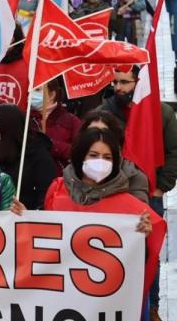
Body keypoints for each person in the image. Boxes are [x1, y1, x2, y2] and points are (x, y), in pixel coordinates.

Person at [42, 128, 163, 299]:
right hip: (64, 294)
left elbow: (139, 264)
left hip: (105, 300)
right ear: (81, 156)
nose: (100, 162)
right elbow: (44, 240)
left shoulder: (131, 207)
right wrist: (22, 220)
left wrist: (143, 238)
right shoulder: (57, 191)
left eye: (107, 158)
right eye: (93, 155)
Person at [98, 66, 177, 208]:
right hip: (112, 192)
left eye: (124, 82)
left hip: (150, 193)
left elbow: (173, 152)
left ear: (139, 83)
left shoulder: (163, 113)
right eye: (115, 83)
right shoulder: (103, 113)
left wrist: (160, 187)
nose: (118, 88)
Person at [0, 104, 54, 210]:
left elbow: (47, 195)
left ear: (8, 126)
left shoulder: (38, 156)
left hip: (24, 219)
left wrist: (30, 213)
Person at [80, 110, 149, 203]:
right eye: (92, 133)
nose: (98, 138)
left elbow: (138, 211)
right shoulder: (70, 174)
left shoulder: (133, 177)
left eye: (104, 133)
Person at [31, 78, 82, 174]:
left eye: (37, 90)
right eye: (30, 90)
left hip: (60, 180)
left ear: (52, 95)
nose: (31, 94)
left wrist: (51, 144)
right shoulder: (26, 119)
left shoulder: (71, 121)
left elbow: (80, 152)